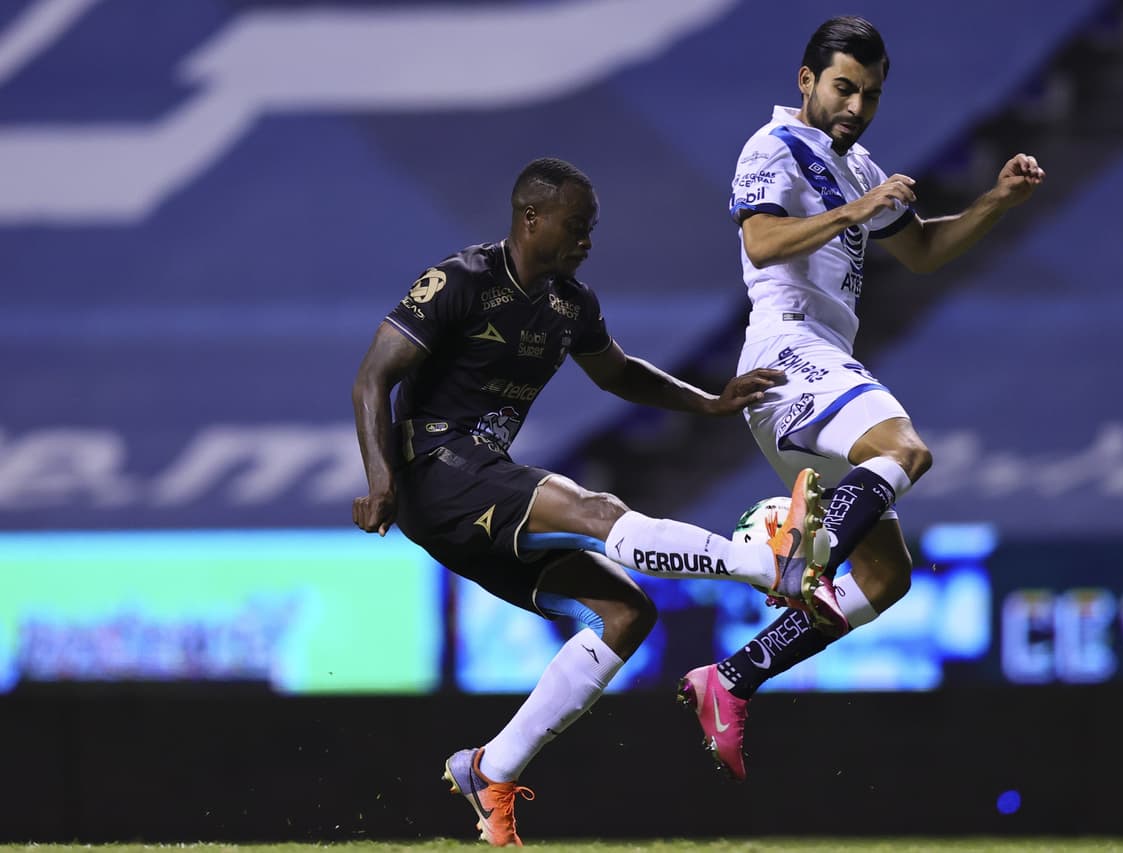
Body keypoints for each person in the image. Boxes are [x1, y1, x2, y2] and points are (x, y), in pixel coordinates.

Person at [351, 157, 843, 846]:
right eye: (576, 226)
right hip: (432, 469)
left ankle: (490, 769)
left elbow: (618, 373)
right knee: (595, 511)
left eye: (592, 228)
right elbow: (372, 377)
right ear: (530, 218)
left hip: (471, 493)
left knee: (626, 612)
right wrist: (380, 478)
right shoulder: (461, 280)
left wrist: (709, 402)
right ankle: (772, 567)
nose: (587, 239)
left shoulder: (570, 305)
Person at [677, 15, 1046, 781]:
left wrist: (995, 202)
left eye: (870, 95)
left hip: (817, 369)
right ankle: (795, 553)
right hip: (786, 352)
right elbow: (762, 242)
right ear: (806, 80)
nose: (856, 106)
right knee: (905, 448)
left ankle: (731, 678)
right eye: (844, 87)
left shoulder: (857, 165)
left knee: (886, 578)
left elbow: (922, 250)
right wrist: (854, 209)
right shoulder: (772, 147)